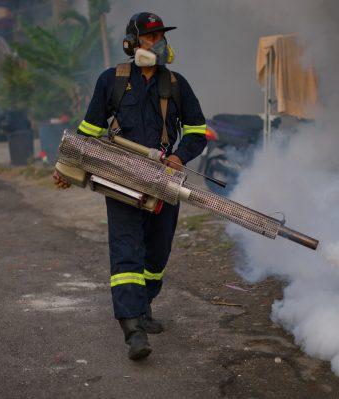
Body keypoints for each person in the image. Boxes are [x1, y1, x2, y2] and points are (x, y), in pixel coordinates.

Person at [53, 12, 207, 360]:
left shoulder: (177, 84)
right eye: (150, 37)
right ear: (132, 43)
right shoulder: (112, 80)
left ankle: (145, 304)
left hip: (165, 182)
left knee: (157, 252)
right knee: (127, 249)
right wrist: (66, 167)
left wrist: (180, 157)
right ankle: (132, 328)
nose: (157, 42)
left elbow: (198, 131)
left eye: (159, 36)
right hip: (120, 179)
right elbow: (89, 132)